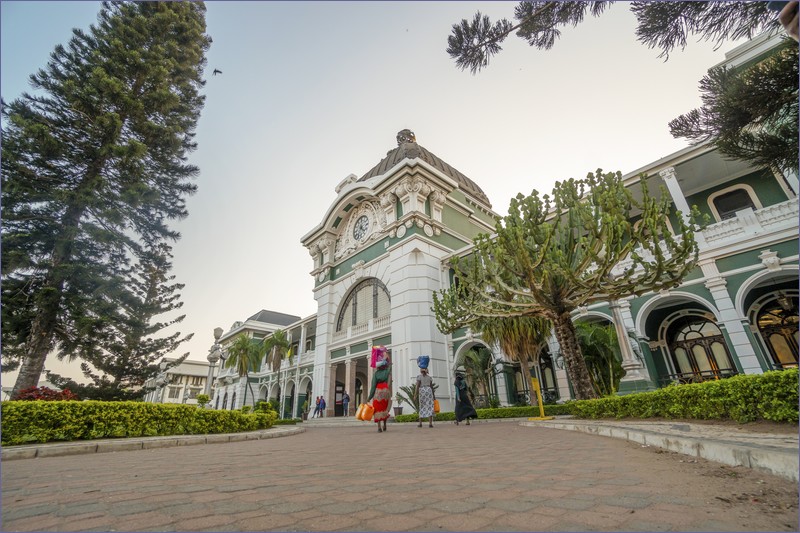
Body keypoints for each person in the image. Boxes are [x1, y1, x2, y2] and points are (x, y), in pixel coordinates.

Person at [367, 356, 392, 432]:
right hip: (386, 390)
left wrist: (369, 397)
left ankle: (379, 427)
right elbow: (389, 367)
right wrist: (388, 362)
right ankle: (384, 425)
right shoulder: (387, 371)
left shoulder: (376, 374)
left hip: (378, 391)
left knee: (377, 409)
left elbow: (373, 386)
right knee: (384, 408)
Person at [414, 355, 436, 428]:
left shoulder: (419, 377)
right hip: (429, 391)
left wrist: (415, 394)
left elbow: (417, 386)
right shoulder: (429, 378)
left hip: (422, 391)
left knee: (421, 406)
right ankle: (430, 423)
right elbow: (431, 387)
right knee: (430, 407)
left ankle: (420, 423)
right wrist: (434, 396)